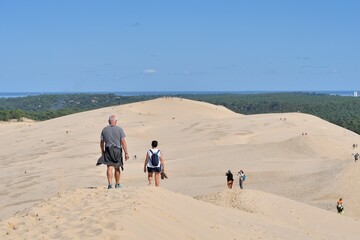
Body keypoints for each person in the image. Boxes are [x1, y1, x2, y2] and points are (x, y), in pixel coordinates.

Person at [99, 115, 129, 189]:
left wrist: (102, 151)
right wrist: (126, 153)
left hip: (108, 149)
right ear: (116, 121)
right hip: (117, 149)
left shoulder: (104, 130)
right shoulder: (119, 129)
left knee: (109, 167)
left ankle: (109, 184)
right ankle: (117, 184)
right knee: (117, 167)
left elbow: (101, 142)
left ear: (109, 121)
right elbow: (123, 142)